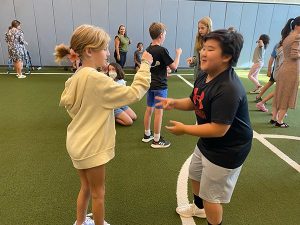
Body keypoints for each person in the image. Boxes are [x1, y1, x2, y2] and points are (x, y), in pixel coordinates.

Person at [55, 24, 153, 225]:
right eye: (105, 48)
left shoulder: (77, 76)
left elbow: (71, 105)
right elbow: (133, 93)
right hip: (92, 146)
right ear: (89, 51)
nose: (109, 53)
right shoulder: (96, 79)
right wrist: (145, 65)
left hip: (77, 142)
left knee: (86, 188)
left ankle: (81, 222)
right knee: (99, 194)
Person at [156, 29, 252, 225]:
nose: (203, 53)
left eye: (210, 49)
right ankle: (198, 209)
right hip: (208, 143)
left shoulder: (229, 89)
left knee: (212, 198)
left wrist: (185, 129)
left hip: (228, 149)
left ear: (227, 56)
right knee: (195, 174)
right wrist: (173, 102)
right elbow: (194, 101)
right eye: (203, 48)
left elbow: (219, 129)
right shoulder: (204, 74)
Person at [142, 22, 182, 148]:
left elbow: (156, 67)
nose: (165, 36)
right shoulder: (162, 50)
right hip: (160, 86)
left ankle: (147, 135)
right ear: (160, 35)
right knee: (159, 112)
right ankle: (157, 140)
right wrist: (178, 54)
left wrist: (165, 70)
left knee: (149, 109)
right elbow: (174, 67)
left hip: (150, 85)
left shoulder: (148, 49)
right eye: (164, 34)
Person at [270, 16, 300, 128]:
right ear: (297, 26)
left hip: (284, 67)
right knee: (286, 95)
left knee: (279, 93)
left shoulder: (288, 37)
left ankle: (274, 118)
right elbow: (295, 55)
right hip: (291, 69)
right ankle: (280, 121)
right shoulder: (297, 37)